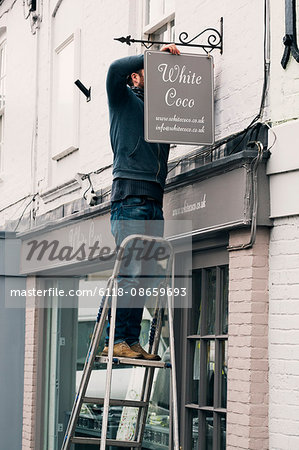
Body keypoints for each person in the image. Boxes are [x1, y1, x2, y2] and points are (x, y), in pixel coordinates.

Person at [102, 44, 180, 360]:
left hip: (154, 201)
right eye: (153, 71)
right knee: (131, 272)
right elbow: (113, 70)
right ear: (136, 78)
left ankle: (130, 340)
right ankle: (116, 337)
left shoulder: (161, 113)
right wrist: (154, 55)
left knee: (145, 275)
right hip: (130, 199)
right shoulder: (123, 101)